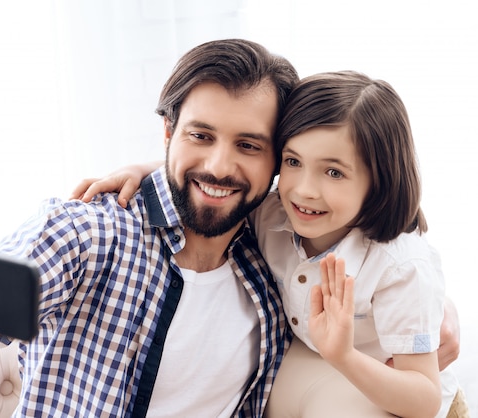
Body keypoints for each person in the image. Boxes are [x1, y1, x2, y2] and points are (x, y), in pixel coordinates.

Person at [0, 39, 300, 417]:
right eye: (200, 136)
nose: (220, 166)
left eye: (248, 145)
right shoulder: (87, 233)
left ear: (278, 158)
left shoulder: (276, 259)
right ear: (168, 133)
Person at [71, 71, 467, 417]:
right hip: (312, 366)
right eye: (293, 162)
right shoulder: (275, 213)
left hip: (386, 384)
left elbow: (423, 399)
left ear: (379, 180)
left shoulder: (400, 265)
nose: (304, 190)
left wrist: (343, 355)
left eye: (333, 172)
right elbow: (220, 177)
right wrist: (140, 169)